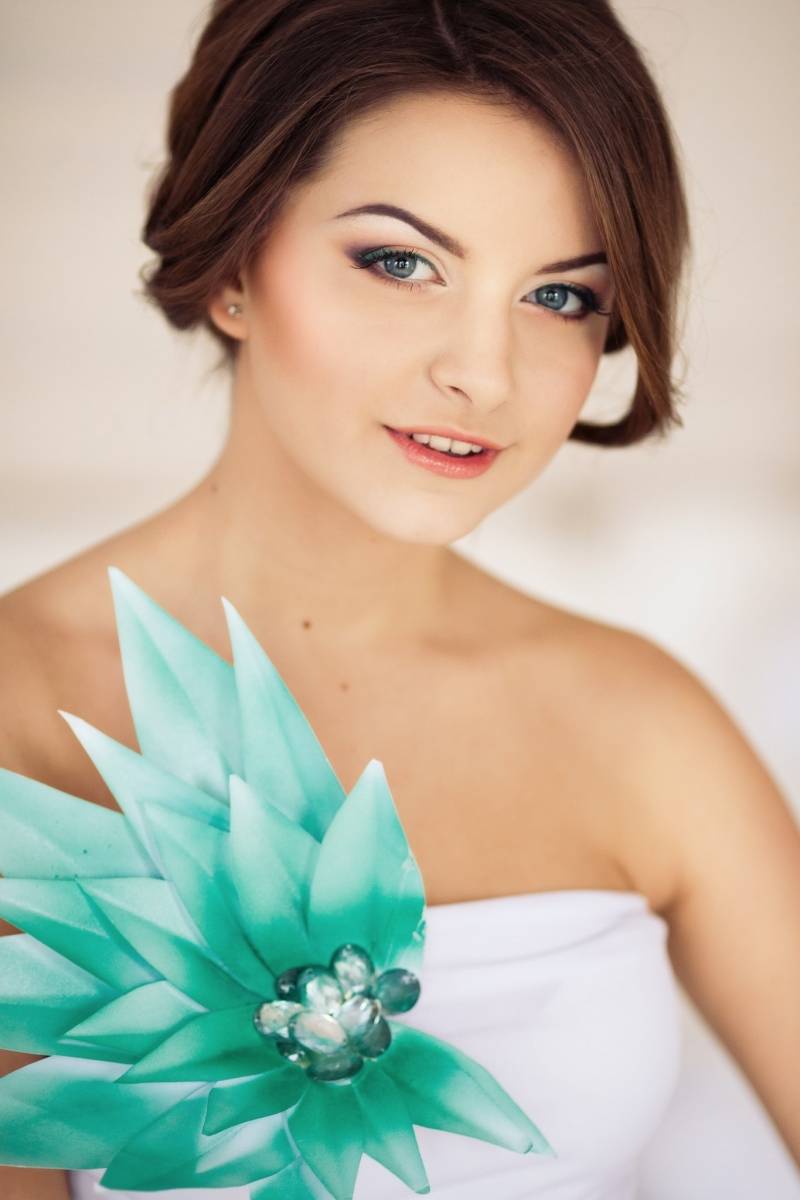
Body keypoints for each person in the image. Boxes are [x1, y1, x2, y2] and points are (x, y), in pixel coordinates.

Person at [1, 0, 798, 1196]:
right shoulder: (24, 710)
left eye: (559, 297)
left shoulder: (639, 721)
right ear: (233, 266)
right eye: (400, 263)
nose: (483, 372)